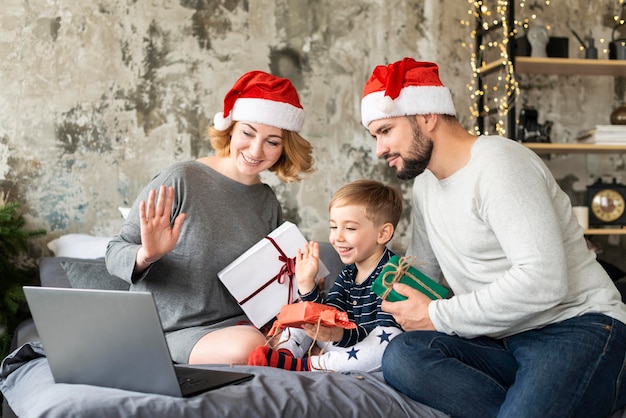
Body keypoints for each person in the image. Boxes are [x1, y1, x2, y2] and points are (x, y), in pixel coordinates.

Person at [360, 57, 626, 417]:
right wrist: (356, 304)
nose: (379, 149)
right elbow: (423, 276)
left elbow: (544, 281)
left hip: (577, 327)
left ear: (426, 116)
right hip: (502, 338)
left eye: (386, 131)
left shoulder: (499, 164)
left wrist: (439, 314)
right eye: (375, 135)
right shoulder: (425, 185)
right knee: (405, 356)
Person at [106, 70, 314, 365]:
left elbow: (271, 286)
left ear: (284, 148)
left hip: (241, 326)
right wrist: (146, 255)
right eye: (248, 133)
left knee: (308, 337)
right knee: (250, 347)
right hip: (170, 331)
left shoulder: (267, 200)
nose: (256, 150)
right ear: (230, 128)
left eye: (272, 141)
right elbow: (114, 251)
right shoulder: (181, 179)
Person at [248, 179, 404, 372]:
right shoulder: (348, 273)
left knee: (390, 337)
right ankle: (285, 354)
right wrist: (307, 285)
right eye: (333, 227)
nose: (337, 237)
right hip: (338, 342)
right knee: (304, 314)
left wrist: (339, 334)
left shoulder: (393, 276)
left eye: (350, 228)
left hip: (364, 351)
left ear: (383, 233)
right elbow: (327, 313)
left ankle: (306, 366)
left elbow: (377, 332)